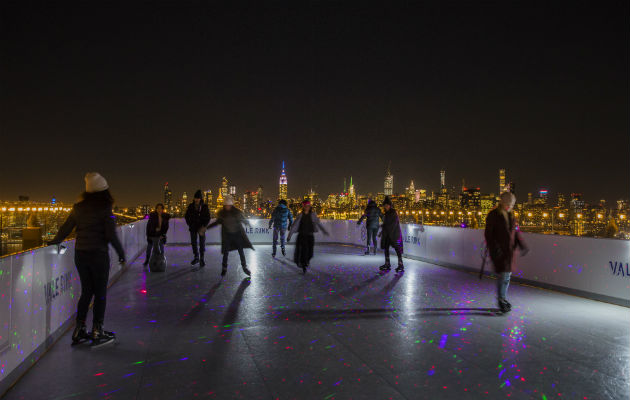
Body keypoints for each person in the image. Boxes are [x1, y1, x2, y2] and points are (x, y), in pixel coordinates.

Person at [48, 172, 125, 347]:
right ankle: (97, 329)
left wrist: (54, 241)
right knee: (100, 294)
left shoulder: (78, 207)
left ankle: (79, 329)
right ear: (103, 191)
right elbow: (111, 234)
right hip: (98, 255)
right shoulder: (105, 208)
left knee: (86, 292)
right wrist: (121, 253)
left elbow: (66, 228)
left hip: (81, 254)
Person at [484, 192, 529, 313]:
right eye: (507, 204)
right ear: (502, 203)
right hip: (499, 251)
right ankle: (501, 299)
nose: (509, 206)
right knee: (503, 276)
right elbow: (488, 234)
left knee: (507, 276)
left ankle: (502, 298)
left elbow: (516, 232)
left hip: (509, 252)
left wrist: (522, 245)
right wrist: (495, 248)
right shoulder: (493, 215)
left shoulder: (511, 215)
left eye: (511, 204)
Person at [207, 195, 254, 277]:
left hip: (237, 235)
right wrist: (207, 228)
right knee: (225, 253)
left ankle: (244, 267)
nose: (227, 207)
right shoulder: (222, 214)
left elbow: (243, 219)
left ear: (231, 205)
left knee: (241, 252)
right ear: (224, 205)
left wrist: (247, 223)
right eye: (226, 205)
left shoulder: (237, 213)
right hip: (227, 236)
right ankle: (224, 268)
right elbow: (216, 222)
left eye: (229, 205)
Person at [287, 200, 329, 273]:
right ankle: (304, 265)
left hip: (310, 236)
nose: (307, 207)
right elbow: (294, 226)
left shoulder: (313, 215)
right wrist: (289, 236)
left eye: (308, 206)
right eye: (306, 206)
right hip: (302, 236)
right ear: (303, 207)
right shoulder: (300, 215)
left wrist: (324, 231)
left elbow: (318, 223)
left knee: (310, 252)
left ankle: (307, 261)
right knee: (303, 251)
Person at [185, 190, 210, 267]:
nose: (196, 199)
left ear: (200, 199)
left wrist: (204, 226)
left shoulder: (204, 206)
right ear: (194, 198)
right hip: (193, 227)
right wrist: (189, 224)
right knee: (193, 242)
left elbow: (208, 217)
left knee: (202, 243)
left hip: (201, 227)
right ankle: (196, 257)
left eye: (198, 198)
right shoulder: (190, 206)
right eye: (195, 198)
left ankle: (202, 258)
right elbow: (186, 216)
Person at [379, 196, 404, 272]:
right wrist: (382, 229)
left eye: (387, 205)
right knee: (386, 248)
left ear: (390, 205)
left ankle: (400, 264)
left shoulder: (393, 212)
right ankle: (387, 263)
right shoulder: (387, 213)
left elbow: (393, 224)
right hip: (388, 234)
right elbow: (387, 223)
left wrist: (385, 228)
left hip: (394, 234)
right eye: (385, 205)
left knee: (397, 249)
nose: (386, 207)